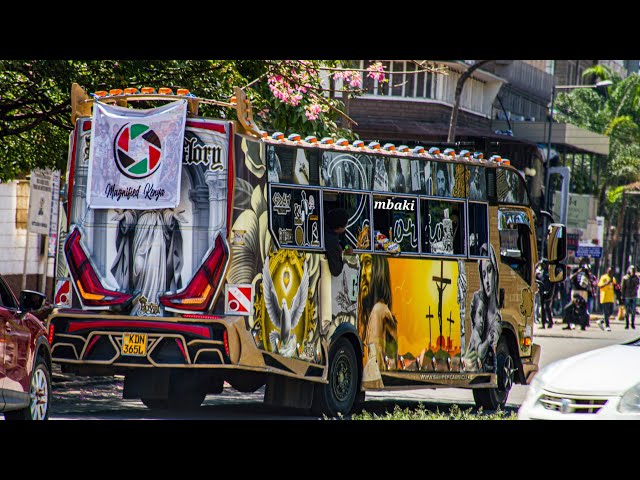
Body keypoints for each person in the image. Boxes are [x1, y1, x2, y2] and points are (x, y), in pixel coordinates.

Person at [358, 253, 398, 386]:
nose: (362, 273)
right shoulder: (380, 310)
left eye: (367, 263)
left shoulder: (378, 311)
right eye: (361, 265)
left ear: (379, 270)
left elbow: (375, 361)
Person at [464, 243, 502, 372]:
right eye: (483, 274)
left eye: (489, 270)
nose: (487, 281)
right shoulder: (478, 301)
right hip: (469, 366)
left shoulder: (496, 317)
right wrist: (488, 340)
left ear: (496, 271)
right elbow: (479, 351)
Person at [324, 208, 353, 276]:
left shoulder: (334, 233)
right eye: (345, 225)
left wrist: (346, 246)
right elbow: (336, 270)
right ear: (339, 228)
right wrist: (343, 256)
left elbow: (343, 243)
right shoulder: (331, 241)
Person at [564, 261, 591, 330]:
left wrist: (587, 272)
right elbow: (571, 278)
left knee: (583, 308)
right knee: (571, 307)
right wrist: (578, 272)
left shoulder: (586, 272)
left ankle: (583, 325)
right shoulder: (575, 270)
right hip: (575, 291)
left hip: (583, 292)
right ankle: (570, 324)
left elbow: (589, 281)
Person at [536, 260, 555, 329]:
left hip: (549, 292)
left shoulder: (550, 273)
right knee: (542, 309)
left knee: (547, 307)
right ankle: (543, 323)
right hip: (542, 291)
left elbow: (553, 284)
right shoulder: (542, 272)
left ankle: (550, 322)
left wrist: (552, 292)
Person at [597, 267, 616, 331]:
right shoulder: (604, 277)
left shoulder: (613, 279)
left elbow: (614, 287)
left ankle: (601, 321)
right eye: (609, 271)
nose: (610, 273)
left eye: (611, 271)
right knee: (606, 312)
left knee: (610, 312)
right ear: (607, 271)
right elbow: (600, 285)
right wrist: (607, 283)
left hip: (611, 298)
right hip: (604, 297)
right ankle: (607, 326)